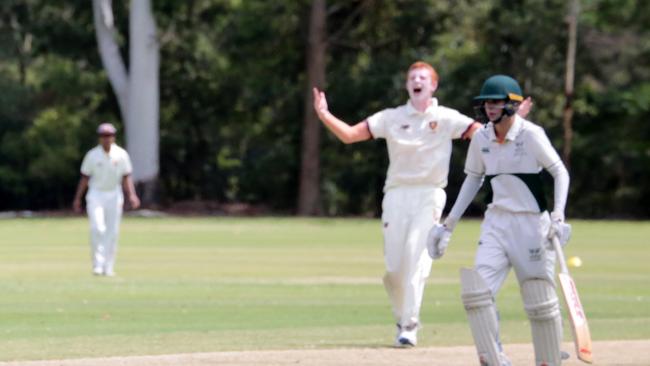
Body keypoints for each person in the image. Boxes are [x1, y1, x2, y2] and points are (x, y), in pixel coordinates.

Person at [312, 62, 531, 347]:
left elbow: (484, 135)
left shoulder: (445, 117)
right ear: (407, 86)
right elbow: (350, 135)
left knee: (417, 258)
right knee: (394, 268)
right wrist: (324, 113)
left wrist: (512, 120)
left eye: (423, 77)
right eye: (412, 77)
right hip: (396, 195)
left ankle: (409, 325)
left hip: (430, 194)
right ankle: (402, 316)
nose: (417, 80)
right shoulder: (391, 117)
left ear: (433, 86)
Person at [427, 75, 571, 365]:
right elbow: (472, 179)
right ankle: (494, 357)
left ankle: (549, 357)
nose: (489, 107)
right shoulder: (481, 138)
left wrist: (558, 214)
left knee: (539, 300)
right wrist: (448, 225)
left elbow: (559, 172)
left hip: (532, 225)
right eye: (486, 102)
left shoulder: (531, 135)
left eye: (495, 102)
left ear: (512, 104)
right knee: (476, 293)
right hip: (496, 223)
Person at [73, 122, 140, 277]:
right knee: (97, 228)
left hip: (114, 194)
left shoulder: (121, 154)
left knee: (112, 232)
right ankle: (97, 264)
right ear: (99, 138)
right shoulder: (92, 155)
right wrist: (78, 198)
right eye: (103, 136)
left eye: (109, 135)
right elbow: (84, 177)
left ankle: (108, 267)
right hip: (96, 194)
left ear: (113, 137)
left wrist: (132, 195)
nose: (106, 139)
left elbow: (126, 176)